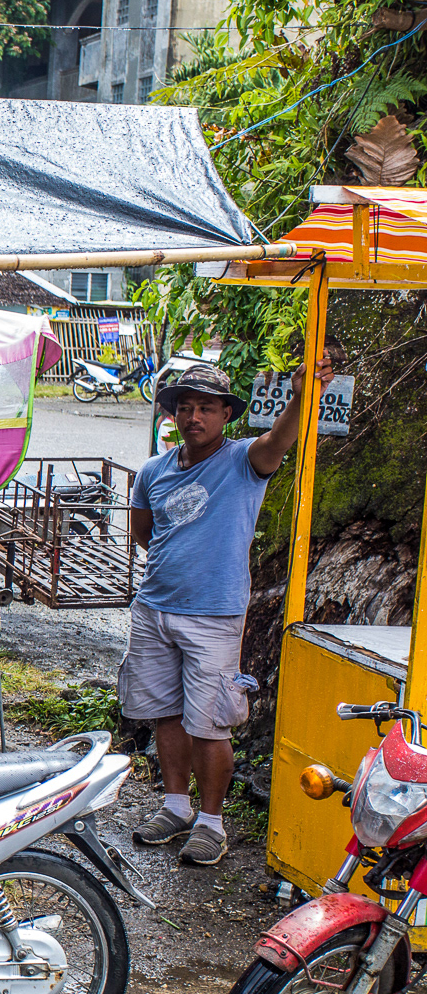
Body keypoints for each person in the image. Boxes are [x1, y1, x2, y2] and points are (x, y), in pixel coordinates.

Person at [126, 355, 334, 866]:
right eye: (185, 407)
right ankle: (175, 806)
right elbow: (142, 531)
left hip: (214, 614)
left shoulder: (244, 461)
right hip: (153, 608)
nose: (194, 417)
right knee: (165, 714)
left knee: (210, 722)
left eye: (206, 408)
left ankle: (212, 823)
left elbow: (279, 441)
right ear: (171, 414)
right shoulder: (154, 469)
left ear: (225, 416)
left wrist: (304, 393)